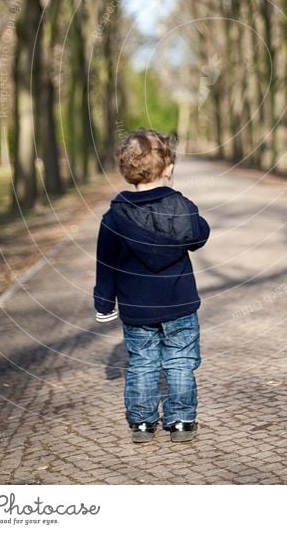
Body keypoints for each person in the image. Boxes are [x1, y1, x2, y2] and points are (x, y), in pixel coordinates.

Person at [93, 128, 210, 444]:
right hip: (179, 305)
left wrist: (104, 303)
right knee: (181, 362)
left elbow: (106, 263)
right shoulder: (180, 206)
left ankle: (143, 424)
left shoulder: (115, 216)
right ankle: (182, 420)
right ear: (168, 169)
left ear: (127, 171)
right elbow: (199, 237)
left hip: (137, 307)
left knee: (143, 363)